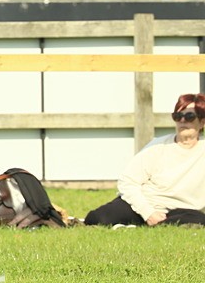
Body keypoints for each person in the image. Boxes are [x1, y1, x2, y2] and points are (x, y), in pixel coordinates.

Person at [85, 93, 205, 227]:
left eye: (189, 116)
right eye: (177, 116)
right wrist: (148, 213)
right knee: (97, 218)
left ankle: (156, 224)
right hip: (146, 203)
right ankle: (153, 223)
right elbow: (128, 182)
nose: (182, 121)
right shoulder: (157, 146)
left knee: (199, 219)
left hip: (183, 210)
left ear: (202, 122)